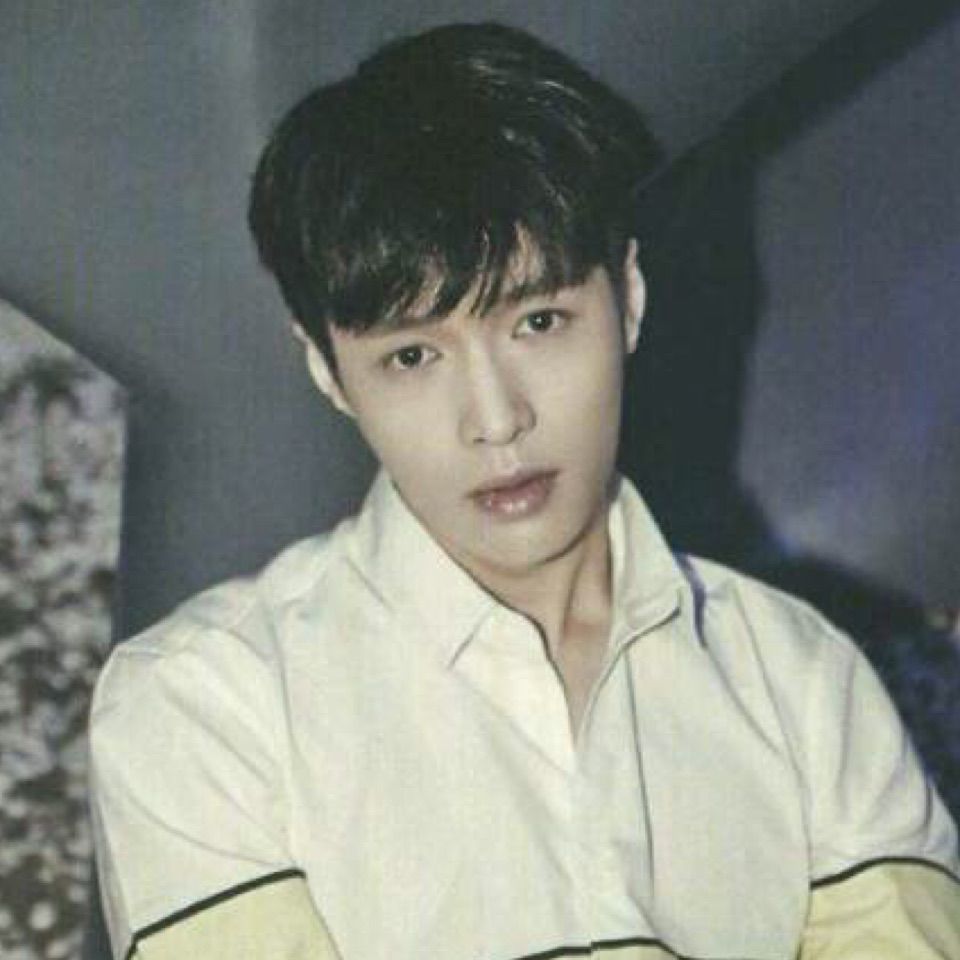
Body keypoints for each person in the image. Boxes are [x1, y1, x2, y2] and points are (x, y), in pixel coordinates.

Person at [87, 22, 960, 960]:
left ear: (627, 297)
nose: (496, 419)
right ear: (329, 372)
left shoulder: (805, 683)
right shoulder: (204, 704)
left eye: (539, 321)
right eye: (412, 356)